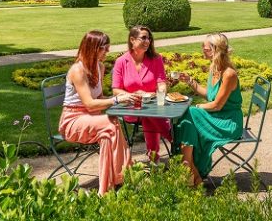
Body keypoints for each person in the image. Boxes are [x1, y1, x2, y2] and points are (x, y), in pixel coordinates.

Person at [59, 30, 131, 194]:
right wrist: (116, 100)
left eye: (108, 48)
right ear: (93, 48)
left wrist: (122, 100)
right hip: (73, 120)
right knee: (109, 125)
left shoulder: (100, 66)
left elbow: (99, 98)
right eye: (104, 48)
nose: (107, 51)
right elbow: (90, 104)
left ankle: (117, 179)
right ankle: (110, 185)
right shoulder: (78, 70)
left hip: (91, 118)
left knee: (111, 124)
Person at [174, 33, 243, 186]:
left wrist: (195, 107)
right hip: (216, 116)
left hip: (228, 122)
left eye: (204, 49)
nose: (202, 51)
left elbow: (217, 105)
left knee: (189, 114)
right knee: (188, 120)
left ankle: (189, 168)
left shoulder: (229, 74)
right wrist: (191, 82)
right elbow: (210, 95)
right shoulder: (215, 68)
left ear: (215, 50)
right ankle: (193, 172)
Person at [112, 25, 172, 161]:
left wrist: (161, 90)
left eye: (149, 38)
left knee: (150, 115)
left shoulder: (156, 59)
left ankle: (153, 157)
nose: (147, 41)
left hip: (152, 105)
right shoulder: (121, 62)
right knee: (151, 115)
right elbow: (116, 90)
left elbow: (161, 82)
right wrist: (132, 96)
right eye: (143, 38)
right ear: (132, 40)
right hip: (131, 107)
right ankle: (174, 141)